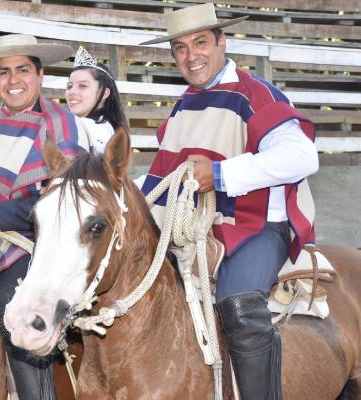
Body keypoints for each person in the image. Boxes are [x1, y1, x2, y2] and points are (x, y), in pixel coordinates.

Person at [139, 3, 318, 399]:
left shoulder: (256, 93)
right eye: (180, 48)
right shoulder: (185, 103)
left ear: (222, 42)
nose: (191, 55)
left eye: (200, 42)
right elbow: (164, 176)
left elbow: (303, 157)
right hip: (196, 229)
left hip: (255, 228)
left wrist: (220, 176)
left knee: (239, 306)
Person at [0, 34, 89, 400]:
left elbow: (70, 202)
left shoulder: (59, 123)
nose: (13, 81)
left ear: (40, 75)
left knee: (14, 304)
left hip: (41, 241)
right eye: (4, 73)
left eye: (23, 70)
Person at [66, 47, 129, 155]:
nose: (71, 92)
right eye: (69, 86)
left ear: (104, 93)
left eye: (82, 86)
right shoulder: (109, 127)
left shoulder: (82, 127)